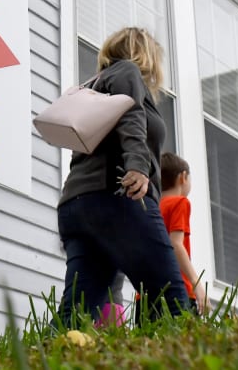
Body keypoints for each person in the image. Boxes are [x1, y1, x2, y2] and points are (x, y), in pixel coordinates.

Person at [56, 27, 189, 327]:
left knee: (76, 314)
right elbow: (131, 117)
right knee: (172, 303)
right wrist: (139, 167)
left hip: (77, 207)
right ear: (146, 55)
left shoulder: (94, 87)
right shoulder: (127, 73)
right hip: (119, 199)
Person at [160, 151, 209, 315]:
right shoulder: (180, 202)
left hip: (147, 293)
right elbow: (176, 243)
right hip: (178, 289)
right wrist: (196, 283)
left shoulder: (152, 207)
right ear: (183, 177)